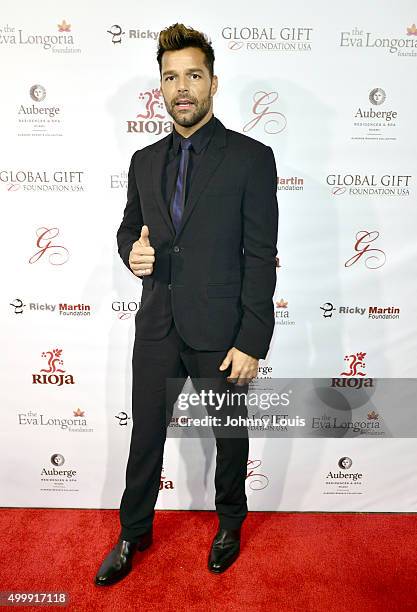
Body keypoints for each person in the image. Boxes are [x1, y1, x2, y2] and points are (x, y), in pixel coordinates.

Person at [94, 22, 278, 586]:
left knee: (229, 434)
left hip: (222, 329)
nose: (182, 88)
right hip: (156, 325)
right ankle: (133, 533)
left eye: (193, 76)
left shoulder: (251, 158)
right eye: (170, 77)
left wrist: (251, 338)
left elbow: (260, 253)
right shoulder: (143, 161)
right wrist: (133, 253)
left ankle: (229, 523)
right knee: (144, 432)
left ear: (213, 83)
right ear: (161, 87)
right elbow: (130, 229)